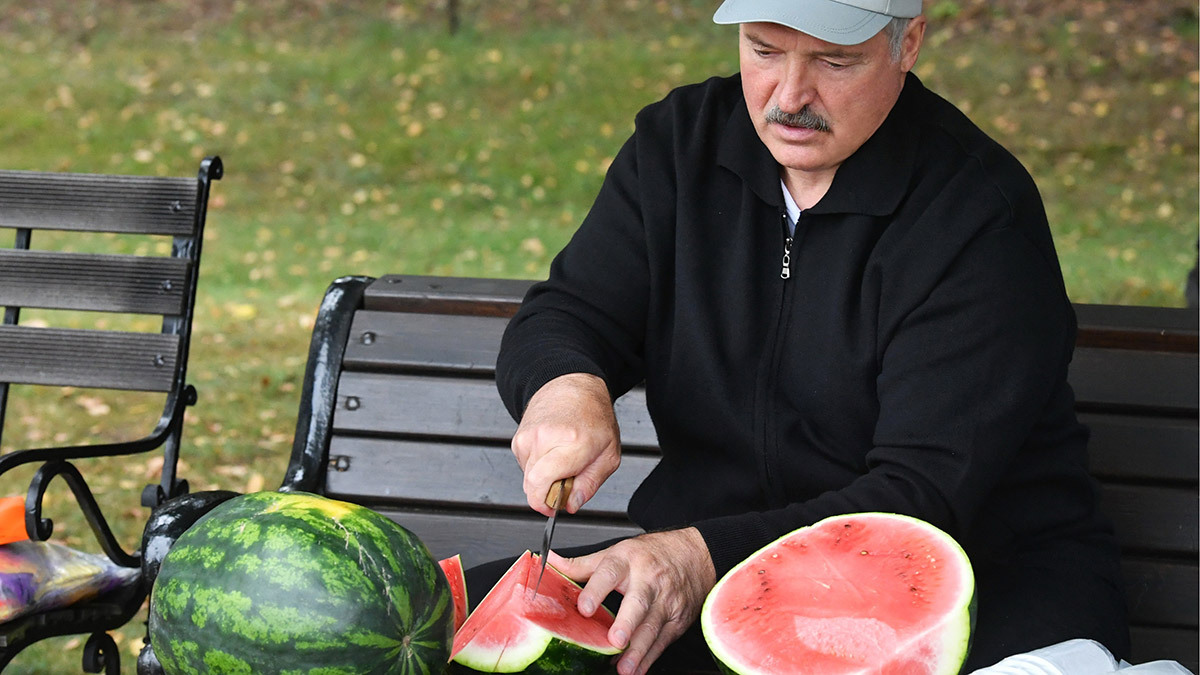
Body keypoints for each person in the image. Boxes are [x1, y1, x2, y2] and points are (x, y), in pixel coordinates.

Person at [474, 1, 1132, 672]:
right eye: (763, 50)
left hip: (971, 600)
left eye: (834, 60)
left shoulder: (977, 217)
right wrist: (566, 385)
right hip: (715, 583)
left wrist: (699, 555)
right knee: (438, 625)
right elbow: (570, 310)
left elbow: (917, 496)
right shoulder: (679, 146)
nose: (790, 96)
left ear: (908, 45)